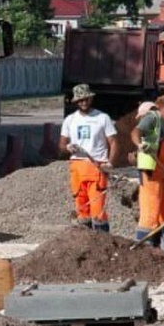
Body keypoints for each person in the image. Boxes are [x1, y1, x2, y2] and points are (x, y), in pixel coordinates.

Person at [59, 83, 118, 232]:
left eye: (86, 99)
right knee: (81, 209)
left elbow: (114, 142)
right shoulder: (70, 120)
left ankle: (103, 244)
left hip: (97, 168)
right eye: (80, 100)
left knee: (98, 210)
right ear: (76, 102)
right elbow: (61, 146)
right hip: (77, 168)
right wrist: (67, 148)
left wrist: (110, 163)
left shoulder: (102, 118)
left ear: (91, 98)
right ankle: (85, 244)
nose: (83, 102)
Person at [131, 96, 164, 249]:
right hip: (151, 172)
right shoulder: (153, 118)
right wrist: (140, 145)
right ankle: (146, 252)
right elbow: (136, 131)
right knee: (150, 212)